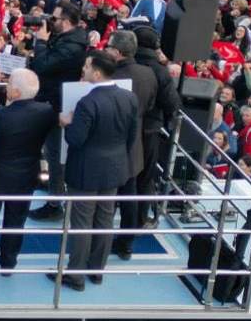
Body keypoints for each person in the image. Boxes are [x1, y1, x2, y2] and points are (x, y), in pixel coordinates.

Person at [51, 51, 139, 292]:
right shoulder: (129, 98)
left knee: (82, 223)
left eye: (87, 66)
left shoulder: (88, 103)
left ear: (97, 73)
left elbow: (75, 139)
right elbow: (132, 136)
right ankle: (97, 270)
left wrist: (66, 123)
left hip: (85, 171)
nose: (84, 69)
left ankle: (76, 275)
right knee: (104, 220)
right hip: (114, 168)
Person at [0, 69, 56, 274]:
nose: (6, 87)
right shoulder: (46, 112)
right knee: (16, 220)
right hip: (26, 173)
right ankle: (8, 262)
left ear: (16, 92)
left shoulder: (0, 115)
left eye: (9, 85)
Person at [29, 2, 89, 221]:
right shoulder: (66, 39)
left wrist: (41, 42)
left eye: (54, 19)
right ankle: (54, 188)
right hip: (51, 101)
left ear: (67, 22)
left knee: (55, 155)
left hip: (57, 106)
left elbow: (43, 65)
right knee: (49, 152)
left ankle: (55, 203)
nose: (50, 21)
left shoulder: (72, 47)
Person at [106, 30, 157, 261]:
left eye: (109, 47)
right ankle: (126, 244)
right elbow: (150, 105)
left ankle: (99, 243)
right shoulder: (148, 73)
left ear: (117, 52)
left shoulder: (111, 75)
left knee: (106, 199)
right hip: (135, 143)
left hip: (111, 143)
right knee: (129, 196)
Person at [130, 25, 179, 226]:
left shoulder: (124, 65)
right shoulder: (160, 70)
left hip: (123, 126)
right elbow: (172, 104)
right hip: (149, 128)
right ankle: (141, 219)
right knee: (145, 176)